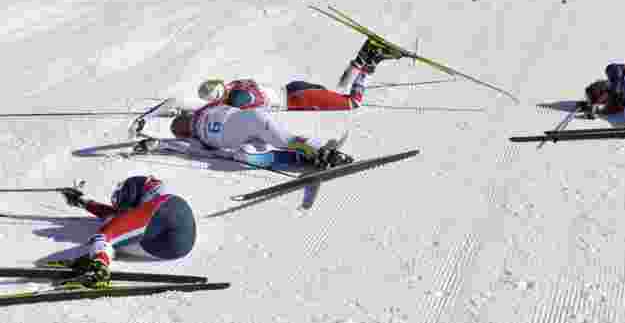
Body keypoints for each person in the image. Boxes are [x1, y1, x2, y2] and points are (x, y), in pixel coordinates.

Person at [142, 39, 403, 168]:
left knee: (351, 102)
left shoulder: (222, 102)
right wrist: (153, 133)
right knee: (341, 95)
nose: (186, 124)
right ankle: (367, 58)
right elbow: (182, 119)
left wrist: (155, 129)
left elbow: (183, 109)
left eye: (182, 124)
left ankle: (369, 61)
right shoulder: (213, 107)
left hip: (298, 99)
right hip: (293, 97)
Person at [57, 175, 196, 287]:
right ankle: (97, 259)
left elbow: (118, 223)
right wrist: (83, 201)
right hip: (174, 247)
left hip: (163, 237)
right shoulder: (166, 202)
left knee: (103, 237)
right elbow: (117, 217)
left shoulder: (156, 205)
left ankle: (98, 268)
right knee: (113, 227)